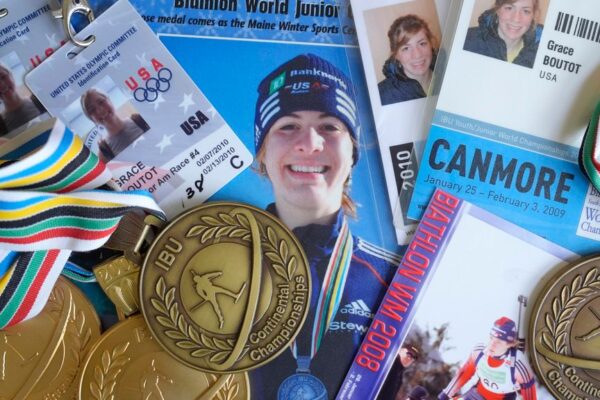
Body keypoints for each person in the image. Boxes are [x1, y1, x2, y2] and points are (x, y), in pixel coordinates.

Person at [251, 53, 402, 399]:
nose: (310, 143)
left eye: (330, 126)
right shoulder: (215, 262)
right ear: (262, 152)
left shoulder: (394, 281)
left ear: (352, 153)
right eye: (287, 126)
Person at [438, 317, 537, 400]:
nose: (491, 345)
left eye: (498, 342)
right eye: (491, 338)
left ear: (510, 344)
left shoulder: (517, 364)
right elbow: (465, 373)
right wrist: (446, 394)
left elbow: (529, 392)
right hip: (476, 394)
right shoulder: (480, 351)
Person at [378, 15, 438, 106]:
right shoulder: (383, 96)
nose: (417, 55)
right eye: (406, 48)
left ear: (430, 44)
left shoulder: (450, 74)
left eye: (422, 43)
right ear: (396, 55)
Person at [463, 0, 543, 68]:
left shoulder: (542, 53)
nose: (516, 19)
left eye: (526, 11)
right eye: (509, 8)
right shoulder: (467, 40)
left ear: (533, 15)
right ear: (497, 9)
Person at [80, 88, 149, 162]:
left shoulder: (141, 120)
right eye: (92, 110)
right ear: (91, 119)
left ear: (109, 99)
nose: (100, 110)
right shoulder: (104, 153)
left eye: (101, 102)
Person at [0, 64, 45, 136]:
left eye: (3, 77)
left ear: (11, 75)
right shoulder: (1, 125)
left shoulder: (40, 101)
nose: (1, 85)